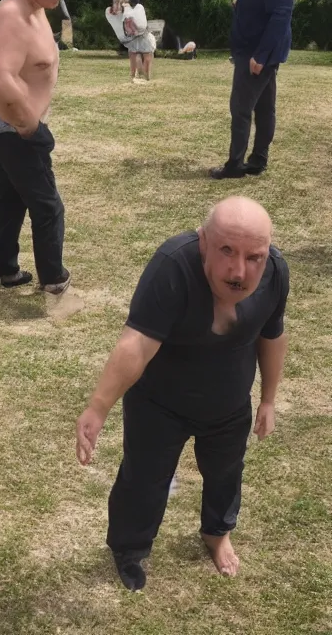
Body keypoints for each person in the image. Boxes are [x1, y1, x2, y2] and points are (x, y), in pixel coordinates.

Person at [76, 197, 287, 591]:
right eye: (226, 250)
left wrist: (269, 399)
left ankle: (217, 533)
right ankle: (129, 548)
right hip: (159, 403)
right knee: (144, 479)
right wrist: (97, 407)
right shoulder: (173, 266)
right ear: (203, 241)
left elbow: (272, 335)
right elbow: (135, 344)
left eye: (253, 256)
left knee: (226, 473)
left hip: (228, 403)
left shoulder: (275, 273)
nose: (239, 270)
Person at [0, 0, 72, 297]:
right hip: (16, 129)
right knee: (48, 206)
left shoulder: (36, 8)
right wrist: (30, 125)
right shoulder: (10, 14)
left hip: (7, 128)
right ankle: (54, 277)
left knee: (5, 200)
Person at [209, 0, 293, 180]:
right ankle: (257, 160)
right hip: (256, 51)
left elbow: (281, 14)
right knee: (265, 107)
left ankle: (235, 165)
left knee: (241, 109)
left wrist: (262, 55)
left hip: (256, 54)